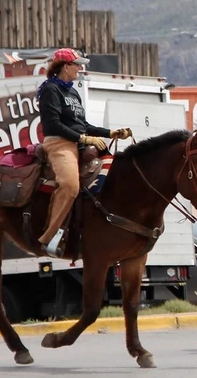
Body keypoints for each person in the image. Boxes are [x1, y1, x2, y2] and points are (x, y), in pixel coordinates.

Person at [36, 48, 132, 257]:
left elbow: (83, 125)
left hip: (79, 143)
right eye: (77, 64)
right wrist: (84, 139)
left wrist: (110, 132)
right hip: (59, 144)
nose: (80, 68)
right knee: (70, 185)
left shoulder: (73, 92)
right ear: (64, 67)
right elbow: (53, 125)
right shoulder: (50, 90)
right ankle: (50, 238)